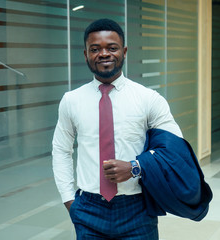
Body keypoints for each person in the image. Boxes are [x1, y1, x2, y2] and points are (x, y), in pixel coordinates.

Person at [52, 18, 182, 239]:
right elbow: (61, 150)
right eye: (95, 49)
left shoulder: (148, 99)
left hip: (137, 210)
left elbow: (175, 150)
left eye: (112, 48)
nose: (104, 54)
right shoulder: (71, 101)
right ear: (85, 54)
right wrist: (70, 201)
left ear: (124, 51)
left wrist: (135, 167)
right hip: (88, 208)